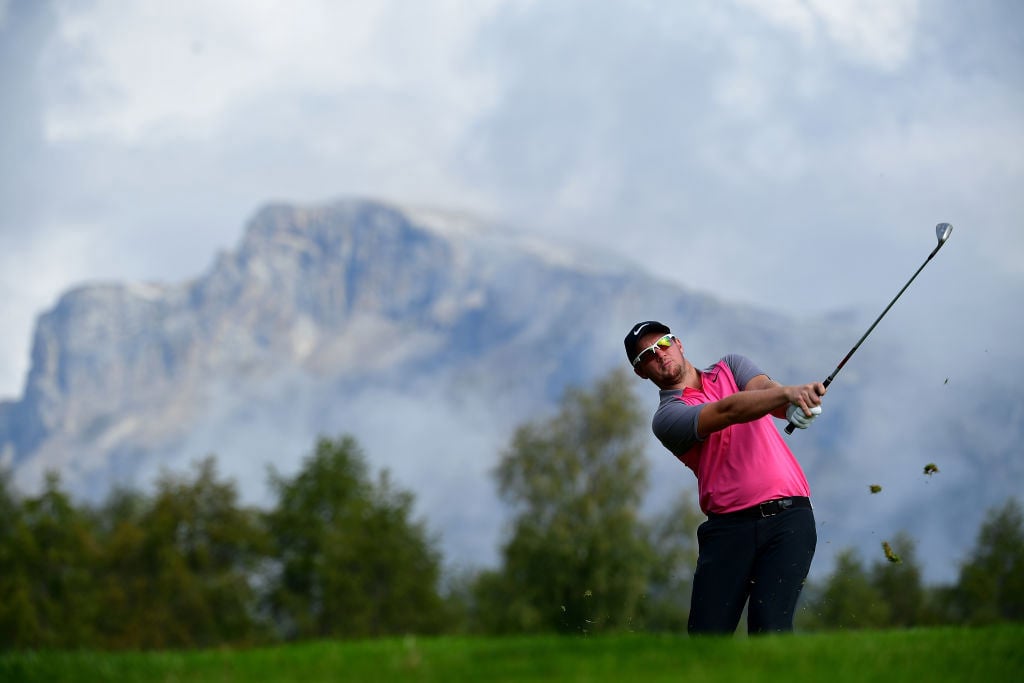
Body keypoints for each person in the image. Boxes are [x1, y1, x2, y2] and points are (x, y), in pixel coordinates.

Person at [624, 320, 826, 635]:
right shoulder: (667, 419)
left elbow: (763, 391)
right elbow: (727, 411)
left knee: (770, 626)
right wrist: (789, 393)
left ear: (679, 343)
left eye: (663, 343)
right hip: (728, 530)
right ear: (640, 372)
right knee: (707, 636)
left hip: (790, 518)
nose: (660, 354)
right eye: (647, 354)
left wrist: (790, 406)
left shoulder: (731, 367)